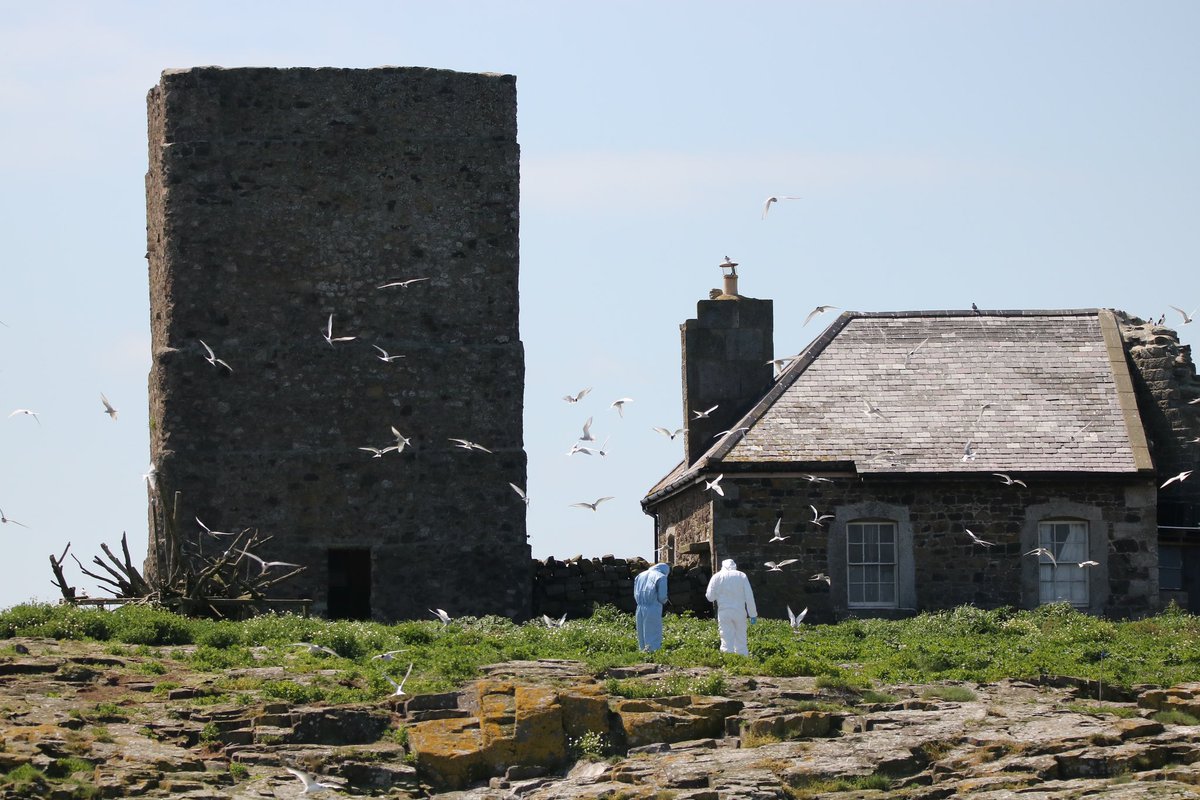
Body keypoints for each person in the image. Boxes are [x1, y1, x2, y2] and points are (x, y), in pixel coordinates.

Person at [704, 558, 758, 655]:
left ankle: (728, 660)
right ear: (735, 566)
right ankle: (743, 661)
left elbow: (710, 597)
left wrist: (719, 594)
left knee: (726, 637)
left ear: (722, 566)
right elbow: (749, 596)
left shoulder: (717, 576)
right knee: (741, 637)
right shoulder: (741, 576)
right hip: (740, 612)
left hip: (724, 612)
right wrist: (753, 614)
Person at [633, 562, 670, 652]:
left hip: (640, 607)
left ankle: (642, 652)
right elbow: (662, 597)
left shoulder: (640, 575)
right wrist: (665, 601)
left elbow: (635, 592)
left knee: (642, 632)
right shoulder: (661, 576)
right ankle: (653, 654)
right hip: (653, 606)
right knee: (653, 632)